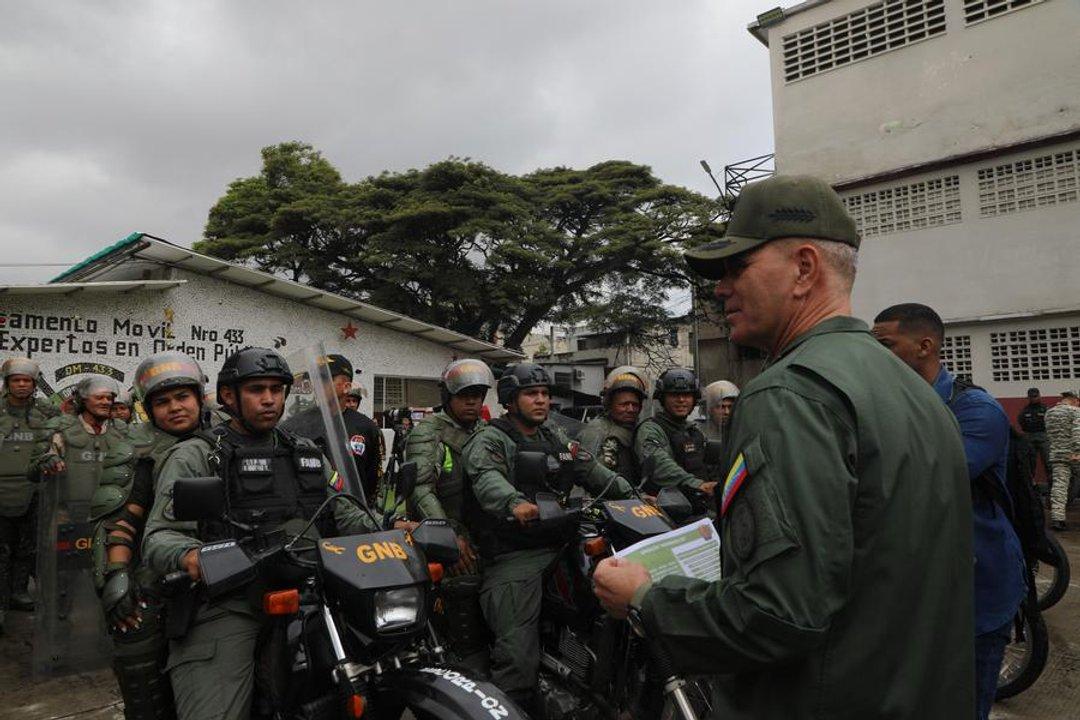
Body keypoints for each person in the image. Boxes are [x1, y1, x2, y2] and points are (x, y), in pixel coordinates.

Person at [592, 174, 974, 718]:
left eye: (737, 267)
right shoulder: (915, 390)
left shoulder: (789, 395)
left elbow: (777, 614)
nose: (720, 288)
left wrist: (646, 598)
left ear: (804, 269)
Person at [143, 347, 384, 720]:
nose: (269, 399)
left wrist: (393, 527)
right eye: (257, 389)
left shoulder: (306, 453)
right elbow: (160, 536)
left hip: (311, 593)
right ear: (229, 396)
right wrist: (193, 556)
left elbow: (345, 511)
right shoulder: (198, 455)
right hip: (231, 602)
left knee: (378, 674)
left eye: (276, 389)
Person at [873, 302, 1026, 720]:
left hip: (977, 592)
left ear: (925, 346)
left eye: (886, 345)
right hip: (916, 590)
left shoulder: (976, 410)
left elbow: (920, 480)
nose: (875, 356)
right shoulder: (892, 405)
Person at [461, 362, 633, 711]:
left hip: (563, 542)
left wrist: (634, 496)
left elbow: (591, 469)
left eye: (544, 393)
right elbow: (486, 477)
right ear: (510, 400)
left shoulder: (554, 436)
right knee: (517, 655)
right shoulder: (491, 439)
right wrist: (514, 503)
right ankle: (513, 705)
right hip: (515, 553)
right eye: (531, 394)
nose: (541, 400)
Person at [91, 352, 208, 720]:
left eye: (182, 397)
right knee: (137, 651)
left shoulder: (225, 436)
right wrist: (117, 575)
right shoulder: (137, 448)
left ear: (199, 397)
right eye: (162, 401)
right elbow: (120, 521)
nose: (175, 408)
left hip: (220, 565)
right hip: (156, 571)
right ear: (148, 408)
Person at [406, 358, 494, 669]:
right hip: (445, 530)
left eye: (477, 395)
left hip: (484, 529)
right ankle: (464, 661)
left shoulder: (487, 430)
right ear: (448, 396)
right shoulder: (429, 431)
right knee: (463, 585)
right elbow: (420, 489)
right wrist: (449, 536)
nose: (472, 402)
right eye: (464, 395)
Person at [0, 358, 60, 625]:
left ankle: (19, 591)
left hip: (34, 489)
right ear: (7, 383)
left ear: (35, 384)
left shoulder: (47, 412)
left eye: (27, 380)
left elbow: (63, 433)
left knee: (27, 546)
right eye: (16, 380)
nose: (22, 385)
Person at [281, 354, 384, 503]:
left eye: (324, 379)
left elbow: (372, 480)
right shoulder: (295, 425)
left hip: (353, 510)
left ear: (346, 387)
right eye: (315, 379)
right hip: (310, 511)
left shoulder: (366, 427)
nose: (317, 385)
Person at [633, 368, 718, 496]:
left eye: (687, 395)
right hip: (665, 504)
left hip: (699, 502)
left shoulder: (694, 431)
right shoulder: (650, 429)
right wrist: (697, 485)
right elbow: (659, 465)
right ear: (663, 399)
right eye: (674, 395)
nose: (681, 400)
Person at [579, 366, 647, 485]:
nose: (630, 409)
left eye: (635, 404)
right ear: (609, 404)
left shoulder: (641, 430)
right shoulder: (597, 430)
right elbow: (588, 472)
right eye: (624, 404)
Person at [1045, 391, 1080, 531]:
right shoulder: (1075, 411)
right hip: (1074, 454)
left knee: (1059, 487)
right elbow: (1078, 432)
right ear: (1075, 400)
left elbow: (1049, 434)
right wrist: (1077, 451)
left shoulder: (1049, 413)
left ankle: (1058, 520)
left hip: (1057, 454)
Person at [1018, 388, 1050, 486]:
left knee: (1048, 462)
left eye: (1035, 396)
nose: (1034, 399)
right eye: (1032, 397)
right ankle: (1030, 486)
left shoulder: (1045, 409)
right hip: (1030, 437)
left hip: (1043, 436)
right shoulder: (1025, 410)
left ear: (1039, 396)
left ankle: (1052, 486)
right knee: (1030, 463)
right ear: (1028, 398)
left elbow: (1050, 422)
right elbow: (1022, 423)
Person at [701, 379, 739, 446]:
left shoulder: (741, 433)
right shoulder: (698, 434)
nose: (727, 412)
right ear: (709, 409)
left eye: (730, 407)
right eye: (721, 407)